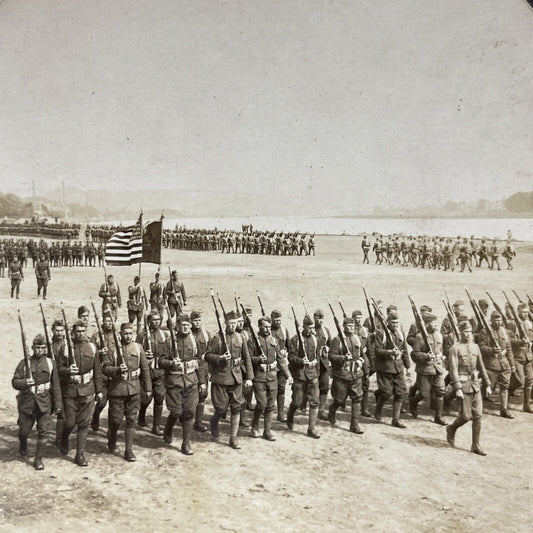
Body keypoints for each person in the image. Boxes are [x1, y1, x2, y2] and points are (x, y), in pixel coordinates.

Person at [12, 334, 62, 470]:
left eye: (42, 348)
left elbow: (56, 385)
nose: (40, 350)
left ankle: (38, 459)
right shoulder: (24, 363)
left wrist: (58, 404)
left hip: (44, 402)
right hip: (27, 402)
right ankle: (23, 443)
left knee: (43, 431)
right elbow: (15, 382)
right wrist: (24, 382)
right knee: (24, 431)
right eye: (37, 348)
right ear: (33, 348)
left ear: (46, 348)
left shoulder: (51, 363)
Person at [102, 322, 152, 461]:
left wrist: (147, 388)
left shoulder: (138, 348)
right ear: (120, 334)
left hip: (134, 389)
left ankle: (128, 450)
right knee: (116, 420)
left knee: (131, 419)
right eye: (125, 333)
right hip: (117, 390)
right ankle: (112, 437)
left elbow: (145, 369)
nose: (128, 336)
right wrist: (117, 370)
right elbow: (105, 368)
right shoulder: (112, 349)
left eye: (130, 333)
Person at [204, 310, 254, 449]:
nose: (232, 326)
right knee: (221, 409)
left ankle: (233, 438)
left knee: (236, 407)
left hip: (236, 377)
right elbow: (207, 355)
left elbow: (247, 358)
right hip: (221, 378)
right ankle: (214, 421)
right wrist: (219, 358)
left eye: (235, 323)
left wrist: (249, 377)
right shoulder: (217, 338)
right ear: (225, 323)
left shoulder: (240, 337)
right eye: (230, 324)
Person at [57, 320, 103, 467]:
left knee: (84, 424)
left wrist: (99, 390)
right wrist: (68, 371)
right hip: (70, 390)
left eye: (83, 331)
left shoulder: (92, 347)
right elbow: (58, 370)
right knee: (70, 422)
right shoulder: (65, 348)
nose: (81, 334)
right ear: (73, 333)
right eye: (78, 331)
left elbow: (97, 369)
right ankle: (64, 437)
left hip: (87, 389)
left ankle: (80, 454)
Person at [159, 314, 206, 455]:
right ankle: (169, 426)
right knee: (176, 411)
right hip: (175, 382)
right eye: (182, 325)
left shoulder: (193, 340)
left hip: (191, 381)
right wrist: (171, 363)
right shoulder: (169, 342)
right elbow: (161, 361)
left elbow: (200, 362)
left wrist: (202, 382)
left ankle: (186, 443)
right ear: (177, 326)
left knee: (189, 412)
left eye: (187, 325)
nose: (185, 328)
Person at [446, 321, 491, 455]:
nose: (468, 334)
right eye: (465, 332)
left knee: (478, 416)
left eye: (470, 332)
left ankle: (475, 445)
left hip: (476, 384)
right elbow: (453, 370)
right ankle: (451, 428)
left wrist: (487, 383)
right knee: (465, 416)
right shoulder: (455, 348)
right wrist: (457, 387)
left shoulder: (475, 346)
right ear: (460, 332)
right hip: (464, 385)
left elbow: (481, 366)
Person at [249, 316, 291, 441]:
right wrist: (258, 360)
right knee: (262, 404)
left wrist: (288, 375)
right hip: (259, 376)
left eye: (268, 327)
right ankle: (255, 425)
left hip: (272, 376)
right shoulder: (253, 340)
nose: (267, 329)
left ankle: (267, 431)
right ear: (259, 327)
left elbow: (280, 358)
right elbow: (248, 358)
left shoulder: (273, 340)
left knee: (271, 405)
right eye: (265, 327)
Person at [328, 316, 367, 434]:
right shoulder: (337, 340)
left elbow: (362, 354)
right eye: (348, 326)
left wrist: (362, 363)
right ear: (343, 327)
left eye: (353, 326)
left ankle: (354, 425)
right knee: (340, 399)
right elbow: (332, 356)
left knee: (357, 398)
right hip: (342, 375)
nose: (351, 328)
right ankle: (332, 409)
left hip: (356, 374)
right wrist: (344, 357)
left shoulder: (357, 338)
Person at [374, 311, 410, 428]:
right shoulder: (381, 333)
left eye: (396, 322)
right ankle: (378, 408)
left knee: (400, 392)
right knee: (386, 393)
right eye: (393, 322)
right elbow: (377, 350)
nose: (395, 325)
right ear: (387, 322)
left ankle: (396, 419)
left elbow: (404, 349)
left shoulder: (400, 332)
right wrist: (390, 352)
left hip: (398, 367)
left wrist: (407, 366)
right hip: (385, 367)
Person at [286, 315, 321, 438]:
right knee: (297, 401)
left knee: (315, 401)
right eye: (309, 328)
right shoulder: (296, 340)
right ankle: (290, 414)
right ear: (304, 327)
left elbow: (318, 357)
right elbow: (290, 358)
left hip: (312, 375)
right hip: (299, 376)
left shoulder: (315, 339)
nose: (311, 330)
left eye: (313, 328)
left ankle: (311, 429)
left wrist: (317, 372)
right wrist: (301, 361)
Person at [408, 314, 446, 425]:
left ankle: (438, 416)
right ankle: (413, 403)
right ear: (428, 324)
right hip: (425, 369)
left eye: (437, 324)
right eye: (434, 324)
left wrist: (441, 356)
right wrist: (426, 356)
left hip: (438, 368)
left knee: (440, 391)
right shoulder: (420, 337)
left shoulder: (439, 335)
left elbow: (440, 350)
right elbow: (414, 354)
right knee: (424, 394)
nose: (436, 326)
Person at [477, 311, 515, 418]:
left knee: (504, 386)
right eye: (496, 320)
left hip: (504, 364)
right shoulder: (484, 332)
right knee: (487, 386)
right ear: (491, 320)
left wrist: (512, 364)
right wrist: (492, 350)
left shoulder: (504, 331)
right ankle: (476, 408)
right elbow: (481, 347)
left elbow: (508, 348)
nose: (498, 322)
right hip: (491, 365)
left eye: (500, 320)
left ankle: (504, 409)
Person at [136, 310, 168, 435]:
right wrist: (144, 353)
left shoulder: (163, 335)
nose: (156, 322)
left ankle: (156, 426)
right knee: (146, 398)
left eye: (158, 320)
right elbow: (136, 350)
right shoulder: (142, 334)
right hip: (147, 371)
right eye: (154, 320)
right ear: (148, 321)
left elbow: (167, 351)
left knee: (159, 397)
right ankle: (142, 415)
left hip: (159, 370)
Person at [90, 311, 115, 432]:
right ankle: (95, 417)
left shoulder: (117, 336)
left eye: (111, 321)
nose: (109, 323)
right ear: (102, 323)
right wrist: (100, 353)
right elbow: (90, 353)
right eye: (107, 321)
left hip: (114, 373)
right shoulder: (96, 336)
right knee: (101, 402)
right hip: (102, 373)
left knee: (114, 404)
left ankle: (111, 430)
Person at [507, 303, 533, 412]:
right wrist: (520, 341)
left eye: (527, 312)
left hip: (528, 356)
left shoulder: (530, 323)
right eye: (523, 312)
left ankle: (526, 405)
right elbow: (509, 340)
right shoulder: (512, 324)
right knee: (519, 380)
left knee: (530, 380)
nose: (526, 314)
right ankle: (507, 394)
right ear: (518, 312)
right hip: (517, 356)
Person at [190, 310, 211, 432]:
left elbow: (211, 350)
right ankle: (185, 417)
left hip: (203, 367)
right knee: (188, 395)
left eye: (199, 320)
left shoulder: (206, 334)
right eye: (195, 321)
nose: (197, 323)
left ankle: (198, 422)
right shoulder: (187, 333)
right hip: (191, 369)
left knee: (202, 394)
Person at [270, 310, 290, 422]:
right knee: (271, 389)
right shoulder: (268, 331)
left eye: (279, 320)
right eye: (276, 320)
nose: (278, 322)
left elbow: (289, 346)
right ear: (272, 319)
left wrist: (285, 351)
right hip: (271, 365)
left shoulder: (284, 330)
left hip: (281, 364)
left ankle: (281, 414)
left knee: (281, 388)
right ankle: (269, 410)